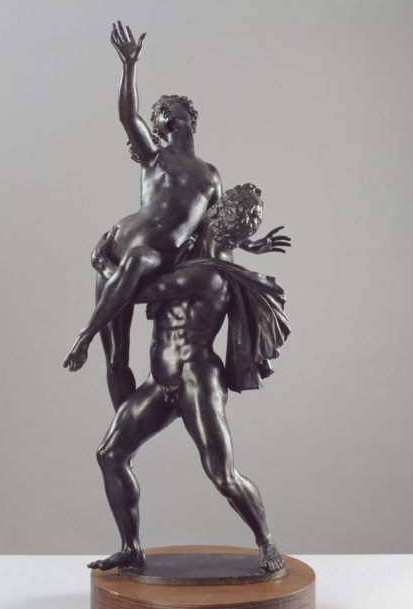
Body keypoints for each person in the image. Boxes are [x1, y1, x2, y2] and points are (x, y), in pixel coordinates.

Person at [81, 184, 292, 573]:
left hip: (197, 380)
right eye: (228, 220)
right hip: (160, 380)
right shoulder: (193, 246)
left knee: (223, 475)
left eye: (235, 226)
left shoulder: (207, 275)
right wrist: (255, 244)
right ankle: (131, 548)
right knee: (110, 456)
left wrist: (101, 262)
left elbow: (133, 293)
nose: (223, 226)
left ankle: (265, 540)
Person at [63, 21, 223, 408]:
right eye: (160, 110)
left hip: (152, 258)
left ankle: (84, 336)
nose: (164, 112)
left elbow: (216, 229)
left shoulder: (210, 175)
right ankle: (124, 430)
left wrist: (253, 243)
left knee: (137, 258)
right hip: (117, 252)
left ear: (189, 115)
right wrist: (129, 65)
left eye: (170, 108)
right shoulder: (155, 156)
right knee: (116, 359)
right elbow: (127, 115)